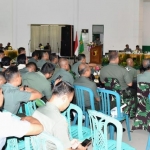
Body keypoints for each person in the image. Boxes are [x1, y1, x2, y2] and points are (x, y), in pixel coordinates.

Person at [32, 81, 87, 150]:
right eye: (69, 101)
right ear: (64, 98)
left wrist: (68, 142)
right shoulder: (59, 121)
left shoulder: (37, 111)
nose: (69, 104)